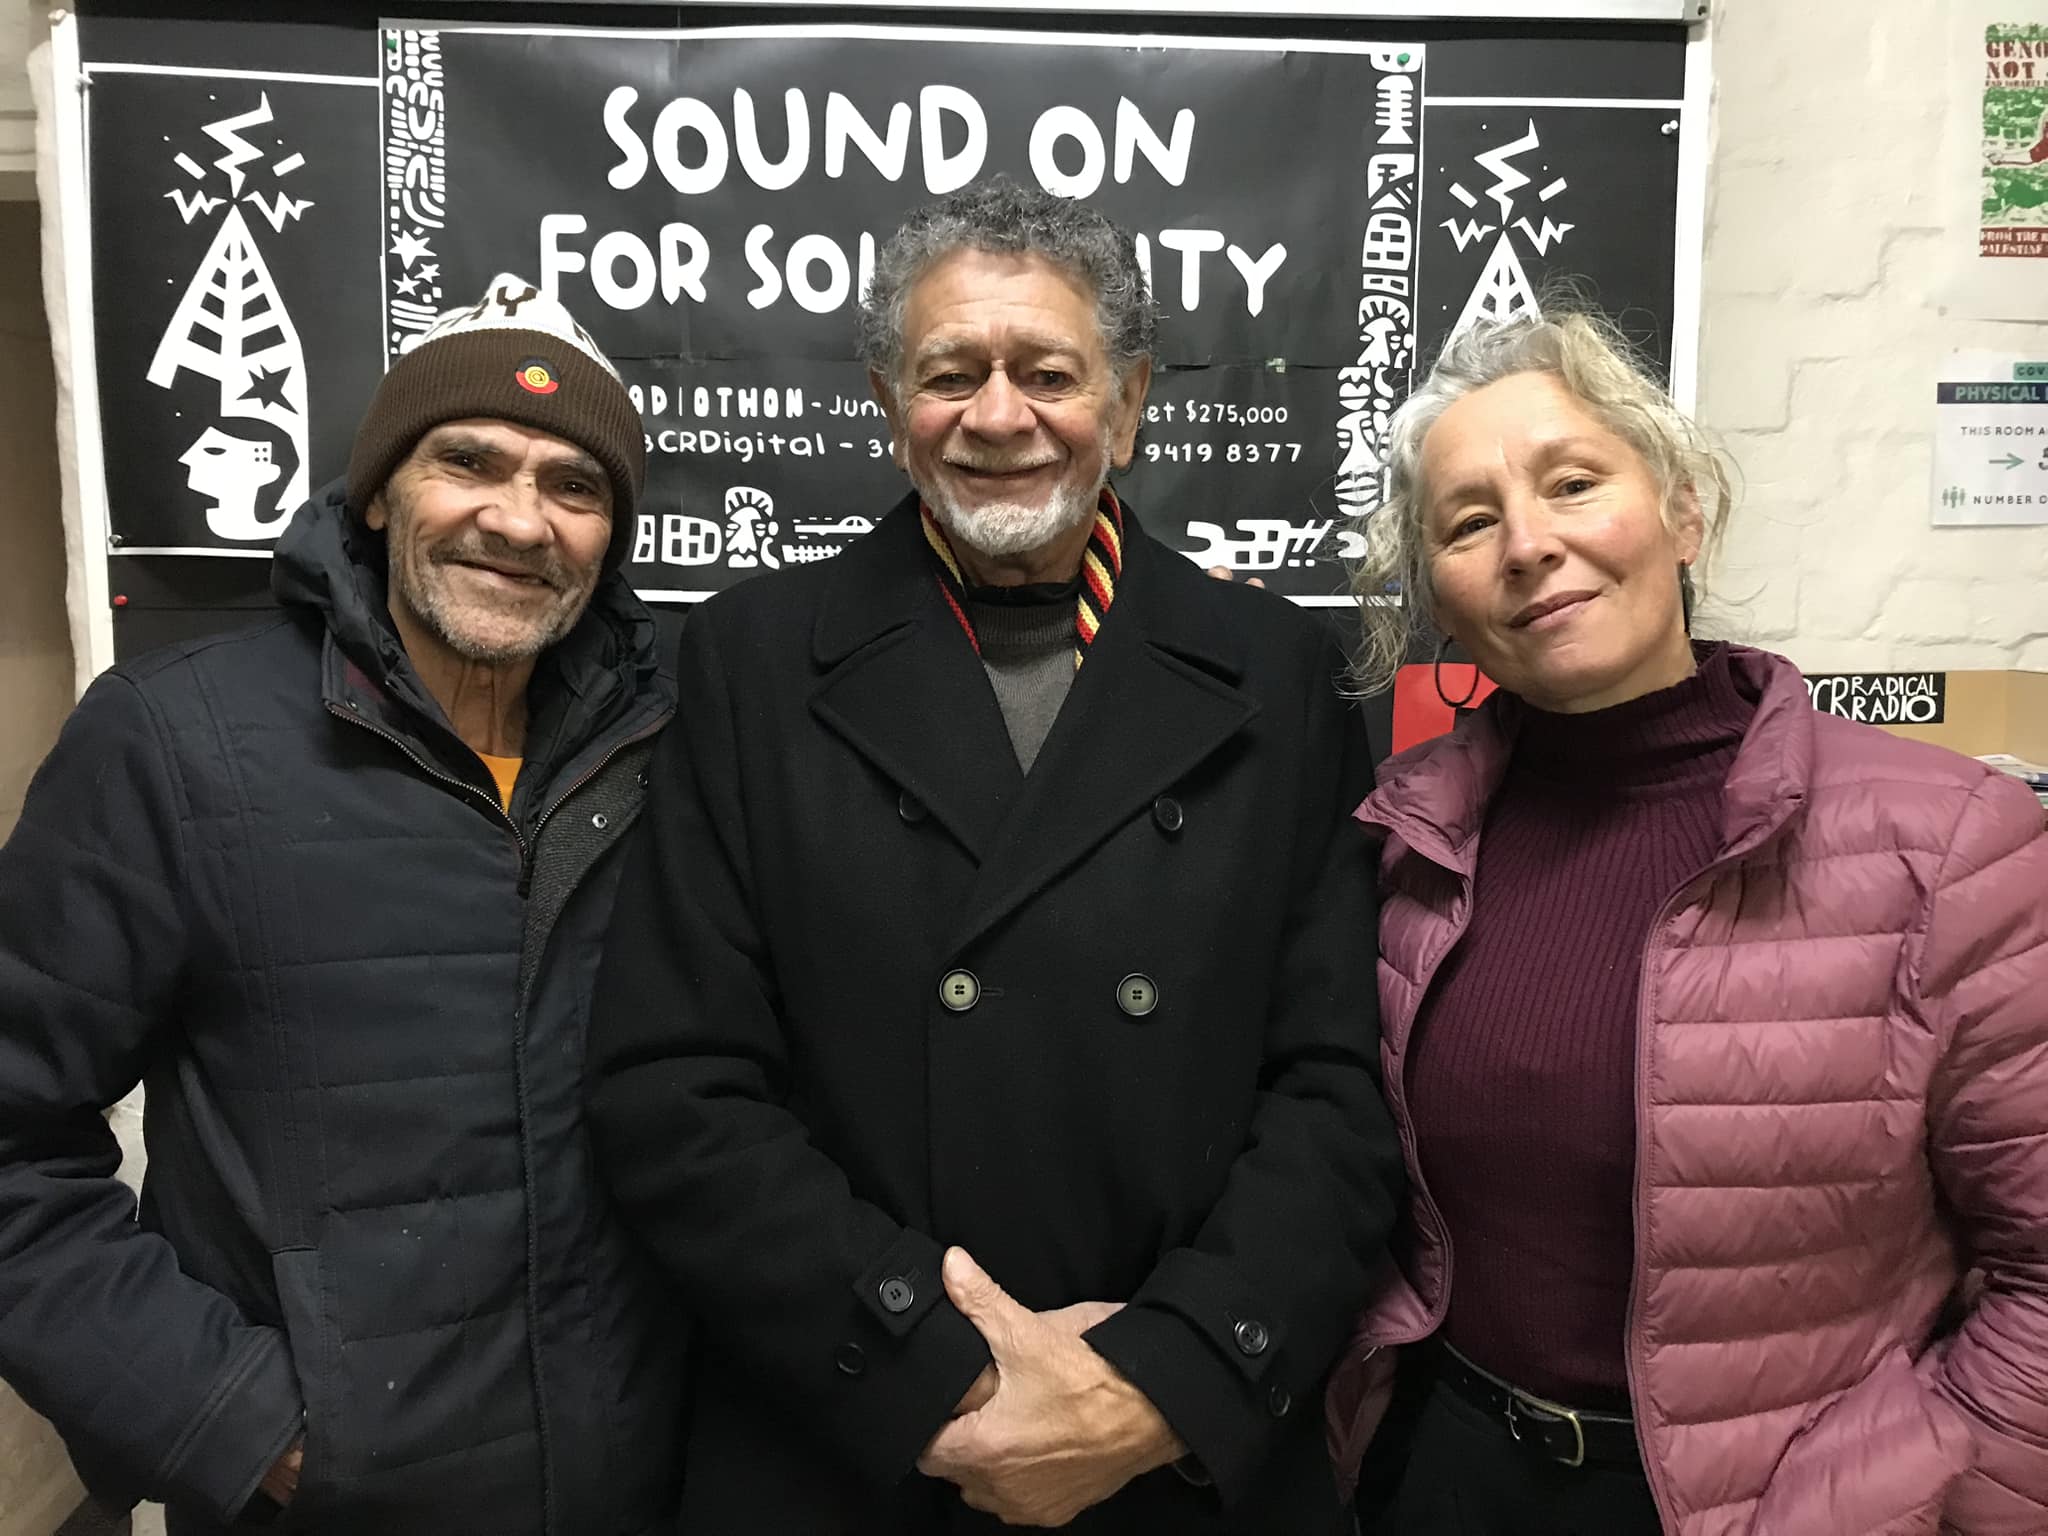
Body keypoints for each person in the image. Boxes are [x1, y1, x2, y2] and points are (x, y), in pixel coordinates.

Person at [586, 176, 1404, 1533]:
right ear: (887, 405)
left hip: (1171, 1464)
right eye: (950, 373)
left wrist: (1156, 1385)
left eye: (1049, 373)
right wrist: (942, 1371)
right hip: (855, 1441)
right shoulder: (752, 662)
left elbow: (1339, 1093)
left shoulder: (1278, 674)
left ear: (1127, 405)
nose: (998, 414)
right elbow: (673, 1088)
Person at [1326, 311, 2048, 1535]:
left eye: (1572, 483)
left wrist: (1885, 1507)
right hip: (1443, 1482)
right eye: (1467, 522)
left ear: (1683, 514)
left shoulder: (1944, 841)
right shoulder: (1402, 843)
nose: (1528, 544)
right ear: (1437, 596)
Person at [0, 277, 684, 1535]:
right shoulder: (175, 742)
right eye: (466, 461)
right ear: (376, 493)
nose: (518, 519)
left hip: (646, 1489)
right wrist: (234, 1420)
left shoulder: (677, 749)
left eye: (574, 486)